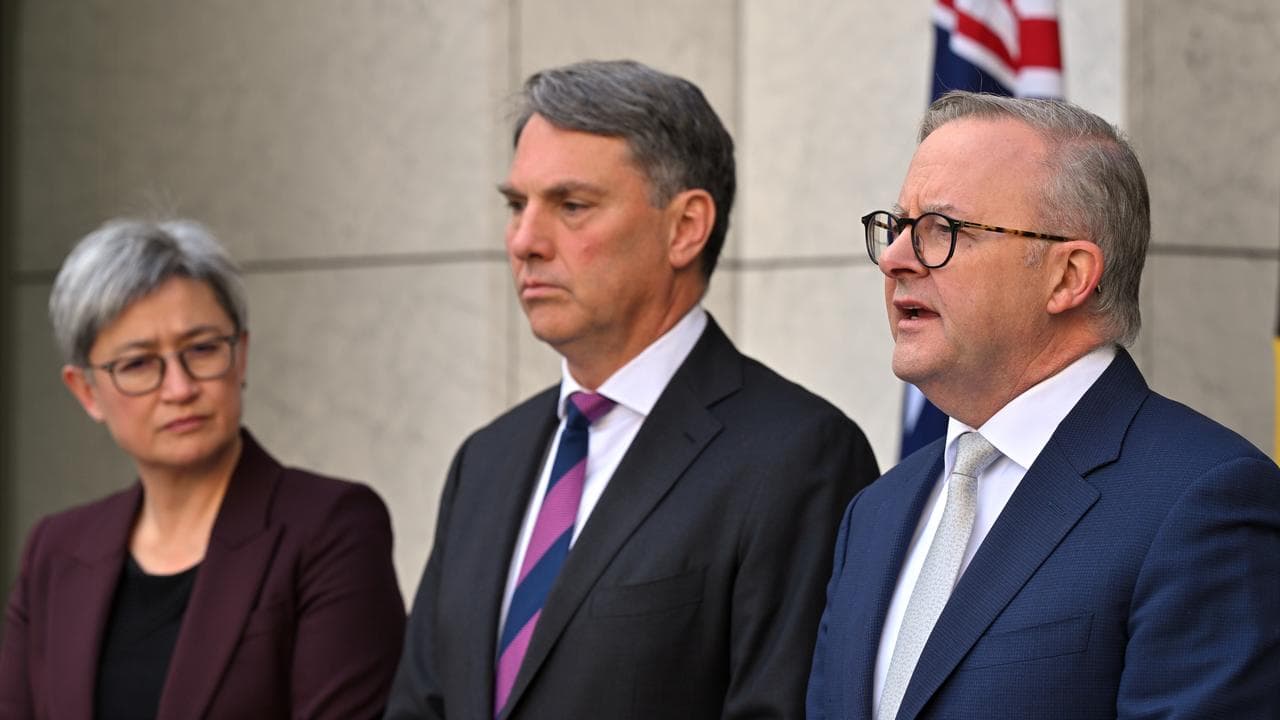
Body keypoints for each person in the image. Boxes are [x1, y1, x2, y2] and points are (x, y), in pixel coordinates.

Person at [385, 59, 879, 720]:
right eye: (516, 205)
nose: (524, 241)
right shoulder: (486, 461)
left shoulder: (799, 457)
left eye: (572, 206)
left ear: (685, 228)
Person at [807, 91, 1280, 720]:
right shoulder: (875, 512)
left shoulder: (1203, 504)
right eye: (895, 228)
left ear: (1067, 276)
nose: (893, 260)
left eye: (940, 232)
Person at [0, 219, 406, 719]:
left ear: (241, 357)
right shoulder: (55, 550)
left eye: (202, 349)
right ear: (86, 392)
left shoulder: (330, 528)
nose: (179, 388)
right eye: (138, 364)